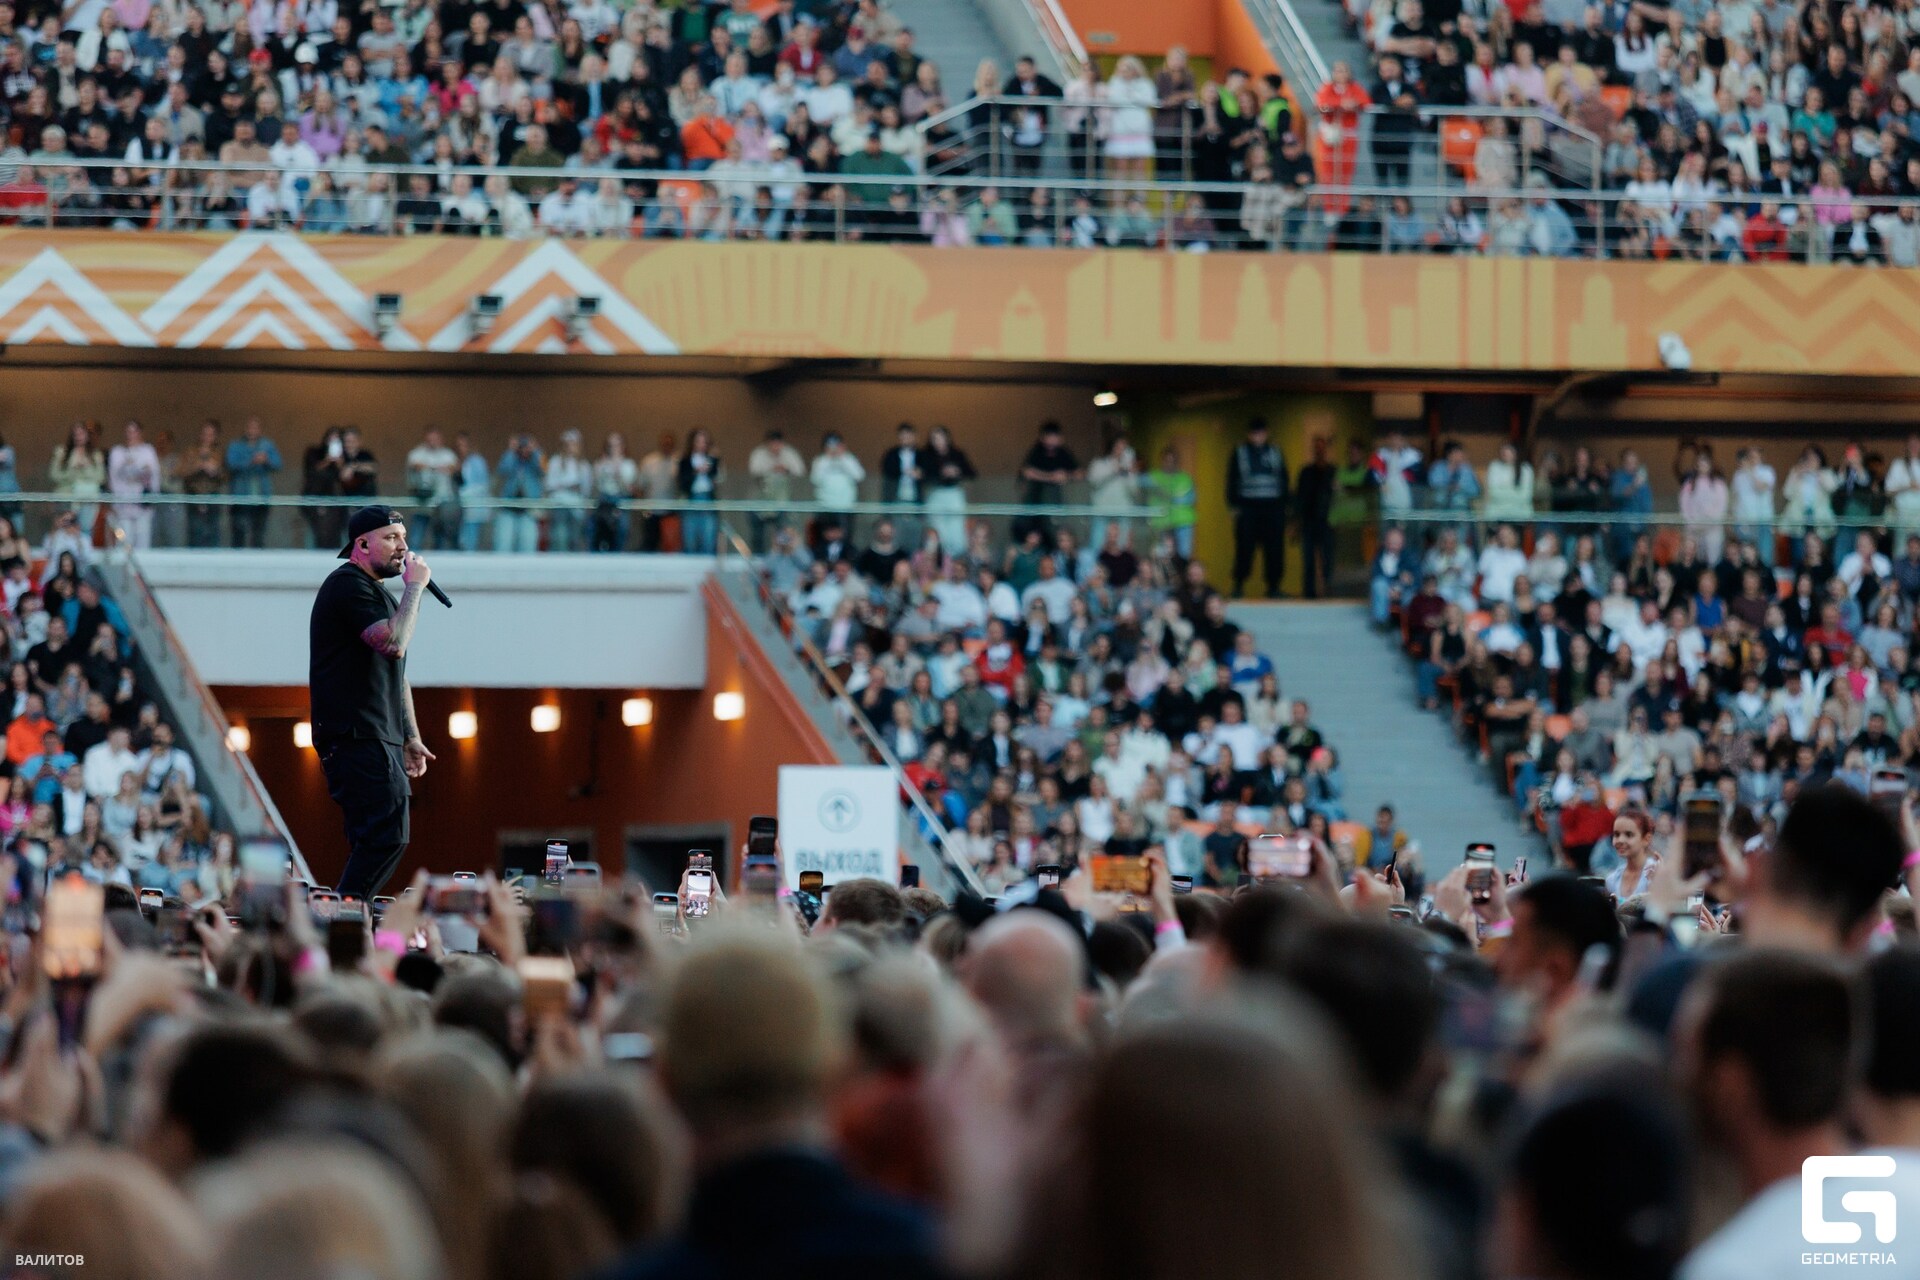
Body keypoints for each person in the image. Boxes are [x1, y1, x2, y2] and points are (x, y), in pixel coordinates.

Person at [308, 505, 435, 899]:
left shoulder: (374, 592)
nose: (403, 547)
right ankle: (342, 919)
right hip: (357, 735)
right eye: (391, 538)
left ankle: (349, 918)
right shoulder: (347, 585)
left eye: (404, 538)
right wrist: (415, 587)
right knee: (387, 835)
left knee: (377, 838)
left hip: (376, 735)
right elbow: (394, 643)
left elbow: (396, 673)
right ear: (362, 545)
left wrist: (409, 736)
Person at [1227, 417, 1288, 598]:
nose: (1258, 437)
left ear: (1266, 433)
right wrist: (1233, 505)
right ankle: (1238, 586)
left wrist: (1285, 506)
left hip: (1273, 508)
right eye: (1254, 433)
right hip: (1248, 508)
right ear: (1249, 434)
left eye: (1261, 433)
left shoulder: (1276, 452)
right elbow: (1231, 479)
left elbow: (1284, 479)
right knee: (1244, 548)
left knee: (1274, 549)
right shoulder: (1240, 452)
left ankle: (1273, 588)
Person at [225, 416, 282, 548]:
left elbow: (278, 464)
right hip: (240, 496)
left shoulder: (267, 445)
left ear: (260, 430)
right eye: (249, 428)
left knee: (258, 534)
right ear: (245, 429)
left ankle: (257, 559)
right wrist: (251, 461)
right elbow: (230, 464)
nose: (252, 431)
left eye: (255, 428)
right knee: (239, 533)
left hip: (262, 496)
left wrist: (266, 460)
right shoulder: (236, 445)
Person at [747, 428, 806, 553]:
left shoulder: (789, 453)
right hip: (761, 501)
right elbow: (754, 470)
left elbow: (800, 471)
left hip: (782, 502)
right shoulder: (759, 454)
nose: (775, 447)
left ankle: (782, 555)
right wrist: (771, 469)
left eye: (778, 443)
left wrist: (786, 469)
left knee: (783, 532)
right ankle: (758, 556)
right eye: (772, 444)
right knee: (758, 534)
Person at [107, 419, 162, 548]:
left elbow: (154, 475)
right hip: (123, 504)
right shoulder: (117, 452)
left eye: (134, 432)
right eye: (128, 432)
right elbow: (113, 477)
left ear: (140, 433)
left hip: (142, 503)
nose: (130, 435)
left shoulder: (148, 451)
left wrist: (153, 497)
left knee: (143, 540)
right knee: (124, 541)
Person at [404, 428, 459, 550]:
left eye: (435, 439)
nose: (433, 442)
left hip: (442, 503)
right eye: (430, 439)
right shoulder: (417, 453)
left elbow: (453, 468)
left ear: (441, 439)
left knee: (441, 537)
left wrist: (430, 468)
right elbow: (415, 465)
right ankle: (412, 560)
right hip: (422, 502)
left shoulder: (448, 454)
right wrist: (437, 468)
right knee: (416, 537)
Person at [1296, 437, 1337, 599]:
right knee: (1308, 561)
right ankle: (1309, 594)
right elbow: (1299, 498)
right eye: (1316, 448)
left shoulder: (1333, 472)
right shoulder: (1306, 472)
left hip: (1328, 522)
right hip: (1308, 522)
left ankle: (1329, 593)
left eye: (1322, 447)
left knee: (1328, 560)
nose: (1319, 451)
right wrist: (1296, 522)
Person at [678, 429, 722, 555]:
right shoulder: (685, 461)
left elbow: (718, 478)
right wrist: (696, 471)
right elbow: (682, 482)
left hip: (707, 498)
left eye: (705, 442)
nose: (702, 444)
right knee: (689, 537)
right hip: (691, 499)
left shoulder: (712, 460)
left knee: (708, 537)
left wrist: (713, 464)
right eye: (699, 441)